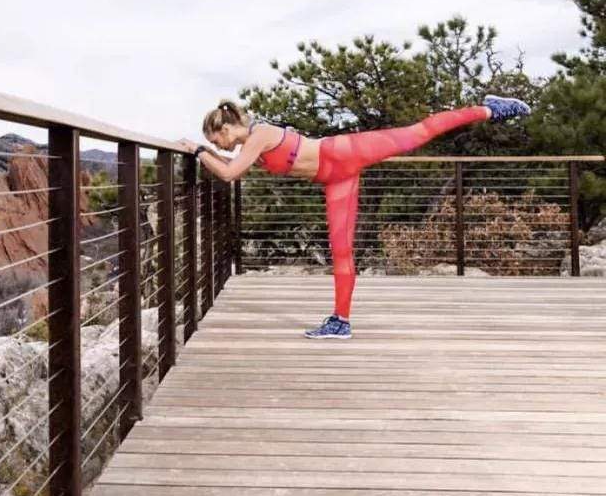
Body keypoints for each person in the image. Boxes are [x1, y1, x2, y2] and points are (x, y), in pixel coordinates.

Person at [177, 96, 531, 338]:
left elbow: (227, 174)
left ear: (224, 128)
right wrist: (204, 153)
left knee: (418, 133)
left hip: (342, 151)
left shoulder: (259, 135)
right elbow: (228, 166)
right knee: (340, 250)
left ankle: (488, 109)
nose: (219, 145)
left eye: (215, 139)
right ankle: (340, 321)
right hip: (336, 177)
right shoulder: (250, 146)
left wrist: (197, 152)